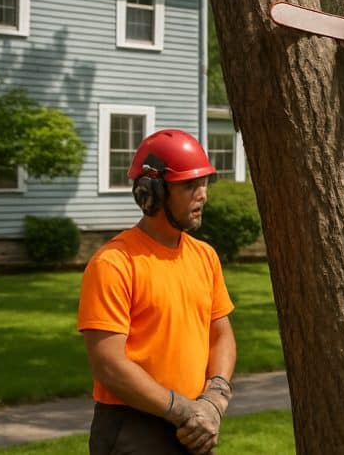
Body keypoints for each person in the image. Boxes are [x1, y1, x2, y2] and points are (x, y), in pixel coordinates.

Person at [77, 129, 236, 455]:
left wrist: (214, 401)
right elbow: (108, 364)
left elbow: (221, 336)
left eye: (204, 182)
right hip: (133, 431)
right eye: (189, 185)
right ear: (151, 193)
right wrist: (183, 410)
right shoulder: (114, 263)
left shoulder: (204, 257)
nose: (203, 194)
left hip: (195, 426)